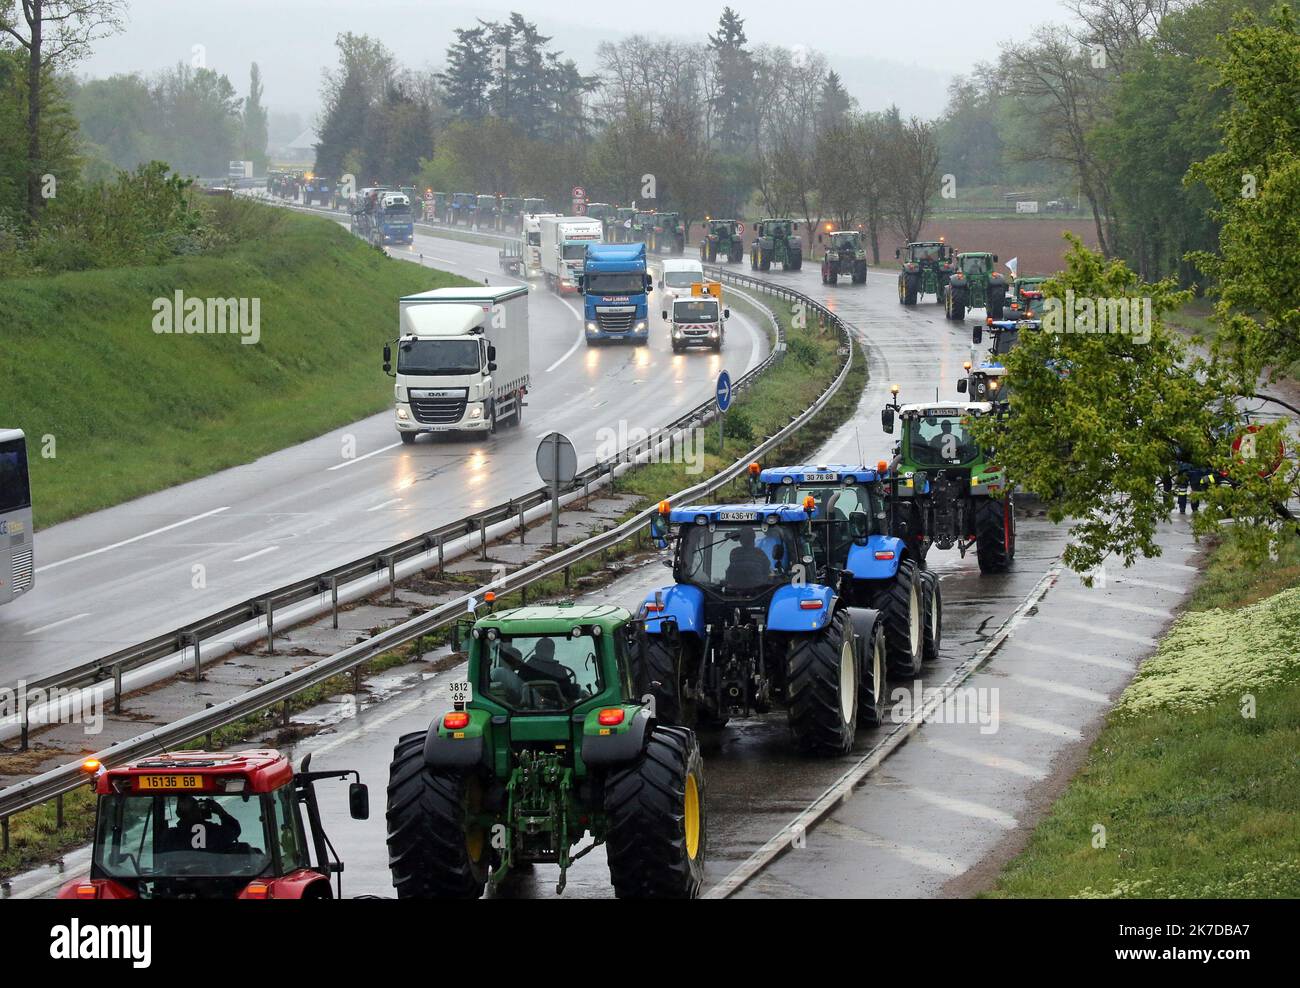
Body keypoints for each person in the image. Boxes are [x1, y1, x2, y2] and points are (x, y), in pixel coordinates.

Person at [163, 795, 242, 854]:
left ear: (177, 813)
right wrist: (221, 812)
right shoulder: (214, 832)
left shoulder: (171, 836)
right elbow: (235, 829)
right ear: (197, 811)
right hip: (213, 875)